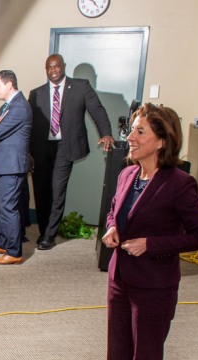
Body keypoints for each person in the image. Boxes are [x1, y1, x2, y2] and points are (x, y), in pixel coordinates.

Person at [85, 104, 198, 360]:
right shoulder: (127, 174)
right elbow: (115, 210)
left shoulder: (181, 184)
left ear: (161, 141)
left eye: (140, 132)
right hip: (120, 278)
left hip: (154, 286)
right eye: (132, 130)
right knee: (118, 356)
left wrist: (152, 245)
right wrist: (111, 226)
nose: (131, 138)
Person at [28, 54, 114, 250]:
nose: (53, 70)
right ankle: (43, 231)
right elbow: (29, 125)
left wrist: (106, 133)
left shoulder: (81, 87)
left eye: (56, 66)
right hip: (41, 148)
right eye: (49, 67)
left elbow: (97, 111)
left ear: (64, 66)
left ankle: (49, 236)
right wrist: (27, 152)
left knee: (57, 191)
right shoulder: (36, 93)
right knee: (41, 192)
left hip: (65, 147)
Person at [0, 70, 32, 265]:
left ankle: (14, 252)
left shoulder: (19, 107)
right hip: (1, 165)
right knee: (2, 208)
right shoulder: (6, 106)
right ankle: (3, 243)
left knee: (8, 208)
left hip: (11, 167)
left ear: (9, 85)